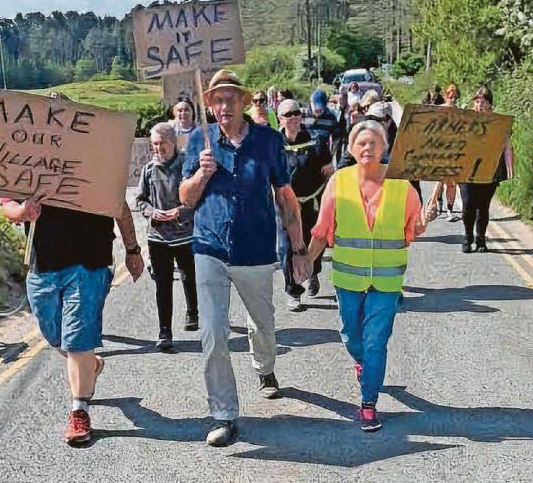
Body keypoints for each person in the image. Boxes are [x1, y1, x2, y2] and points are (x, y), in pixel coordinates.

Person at [180, 69, 310, 447]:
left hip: (255, 250)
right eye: (217, 100)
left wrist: (299, 249)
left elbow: (285, 197)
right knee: (213, 332)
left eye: (230, 99)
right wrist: (201, 175)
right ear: (210, 106)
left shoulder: (268, 141)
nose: (224, 106)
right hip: (210, 247)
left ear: (243, 102)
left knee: (263, 324)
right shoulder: (198, 140)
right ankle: (224, 414)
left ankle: (264, 367)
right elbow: (185, 197)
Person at [307, 120, 426, 432]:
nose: (368, 147)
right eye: (361, 142)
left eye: (374, 142)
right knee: (350, 335)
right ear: (350, 148)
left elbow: (413, 229)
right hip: (348, 278)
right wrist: (306, 261)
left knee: (376, 342)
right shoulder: (339, 181)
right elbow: (322, 228)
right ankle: (363, 364)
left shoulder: (402, 185)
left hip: (386, 282)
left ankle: (368, 403)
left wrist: (425, 220)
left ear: (385, 147)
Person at [0, 197, 144, 446]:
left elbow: (118, 203)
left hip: (90, 262)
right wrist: (22, 211)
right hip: (43, 265)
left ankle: (79, 411)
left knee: (77, 338)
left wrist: (133, 250)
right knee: (54, 334)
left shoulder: (100, 169)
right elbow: (8, 203)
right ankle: (89, 365)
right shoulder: (30, 169)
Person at [136, 122, 198, 351]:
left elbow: (197, 198)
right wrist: (152, 212)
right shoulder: (148, 170)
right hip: (158, 236)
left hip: (184, 234)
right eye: (154, 144)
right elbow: (140, 200)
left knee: (189, 276)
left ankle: (193, 311)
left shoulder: (186, 166)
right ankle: (165, 331)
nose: (158, 148)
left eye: (162, 143)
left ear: (173, 142)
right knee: (162, 284)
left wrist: (180, 212)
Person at [278, 98, 333, 311]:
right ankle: (293, 291)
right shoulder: (274, 143)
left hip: (311, 203)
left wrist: (328, 170)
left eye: (296, 113)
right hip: (285, 206)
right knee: (287, 248)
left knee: (313, 242)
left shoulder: (316, 140)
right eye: (288, 114)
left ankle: (312, 272)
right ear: (280, 118)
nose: (293, 117)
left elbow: (327, 169)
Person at [456, 86, 513, 253]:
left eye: (484, 101)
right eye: (477, 101)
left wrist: (510, 168)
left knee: (483, 206)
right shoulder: (464, 120)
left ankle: (480, 238)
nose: (480, 104)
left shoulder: (499, 123)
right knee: (468, 204)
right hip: (467, 169)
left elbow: (507, 146)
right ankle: (468, 236)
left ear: (490, 104)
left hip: (489, 168)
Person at [430, 83, 460, 220]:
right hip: (440, 149)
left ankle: (449, 209)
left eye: (455, 97)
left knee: (451, 182)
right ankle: (436, 204)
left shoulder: (459, 112)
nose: (453, 99)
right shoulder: (439, 110)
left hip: (454, 150)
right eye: (450, 96)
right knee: (439, 180)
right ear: (446, 96)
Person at [302, 87, 344, 169]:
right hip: (305, 157)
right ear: (310, 102)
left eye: (320, 109)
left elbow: (337, 140)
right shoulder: (302, 116)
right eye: (316, 109)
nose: (318, 112)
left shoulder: (331, 118)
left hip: (323, 157)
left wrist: (331, 162)